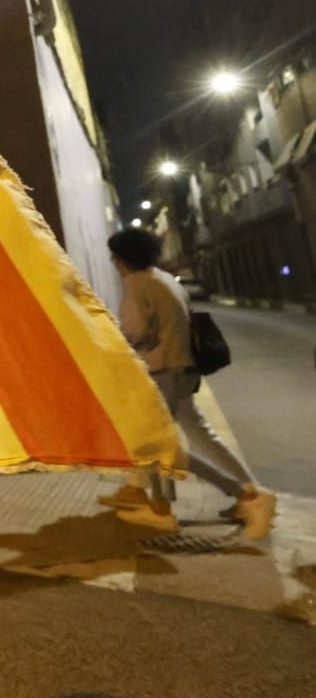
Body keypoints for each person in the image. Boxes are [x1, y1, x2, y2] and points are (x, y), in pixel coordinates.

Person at [105, 227, 276, 539]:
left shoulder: (136, 283)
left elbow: (135, 331)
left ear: (122, 258)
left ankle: (237, 495)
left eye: (114, 256)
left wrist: (111, 341)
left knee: (160, 444)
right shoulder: (164, 278)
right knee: (198, 435)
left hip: (162, 372)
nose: (113, 262)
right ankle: (253, 491)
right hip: (184, 368)